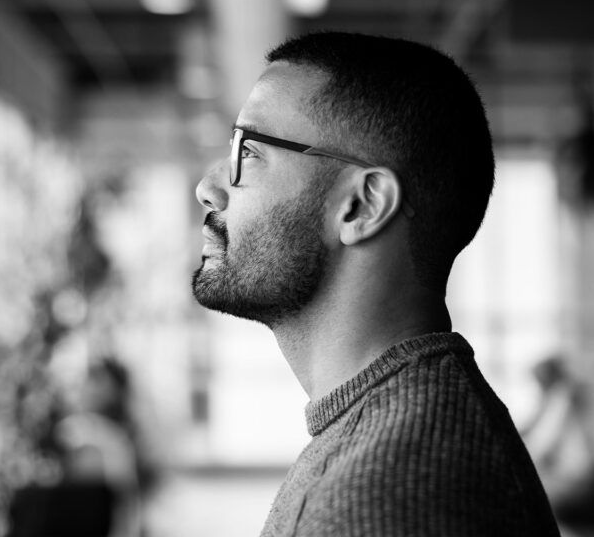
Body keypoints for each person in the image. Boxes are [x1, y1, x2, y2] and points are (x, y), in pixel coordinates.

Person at [191, 32, 560, 536]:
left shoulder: (384, 499)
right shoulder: (389, 431)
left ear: (363, 206)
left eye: (249, 152)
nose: (207, 188)